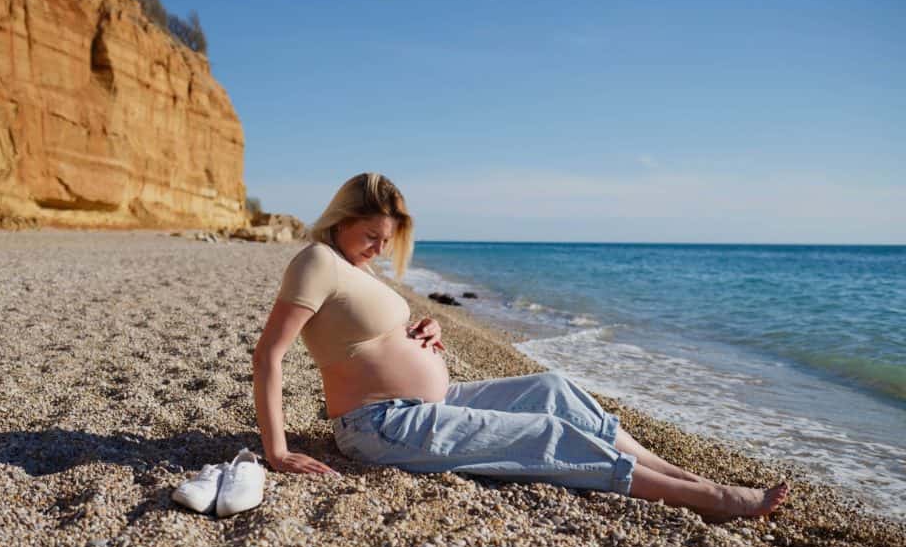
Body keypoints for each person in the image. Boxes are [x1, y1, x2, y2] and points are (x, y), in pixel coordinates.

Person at [252, 173, 788, 520]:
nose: (380, 247)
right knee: (547, 434)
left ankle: (676, 473)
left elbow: (363, 330)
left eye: (387, 239)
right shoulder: (316, 261)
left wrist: (424, 330)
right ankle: (710, 499)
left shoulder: (350, 268)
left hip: (425, 407)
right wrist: (277, 453)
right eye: (371, 235)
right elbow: (269, 355)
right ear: (341, 221)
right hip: (380, 427)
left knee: (552, 389)